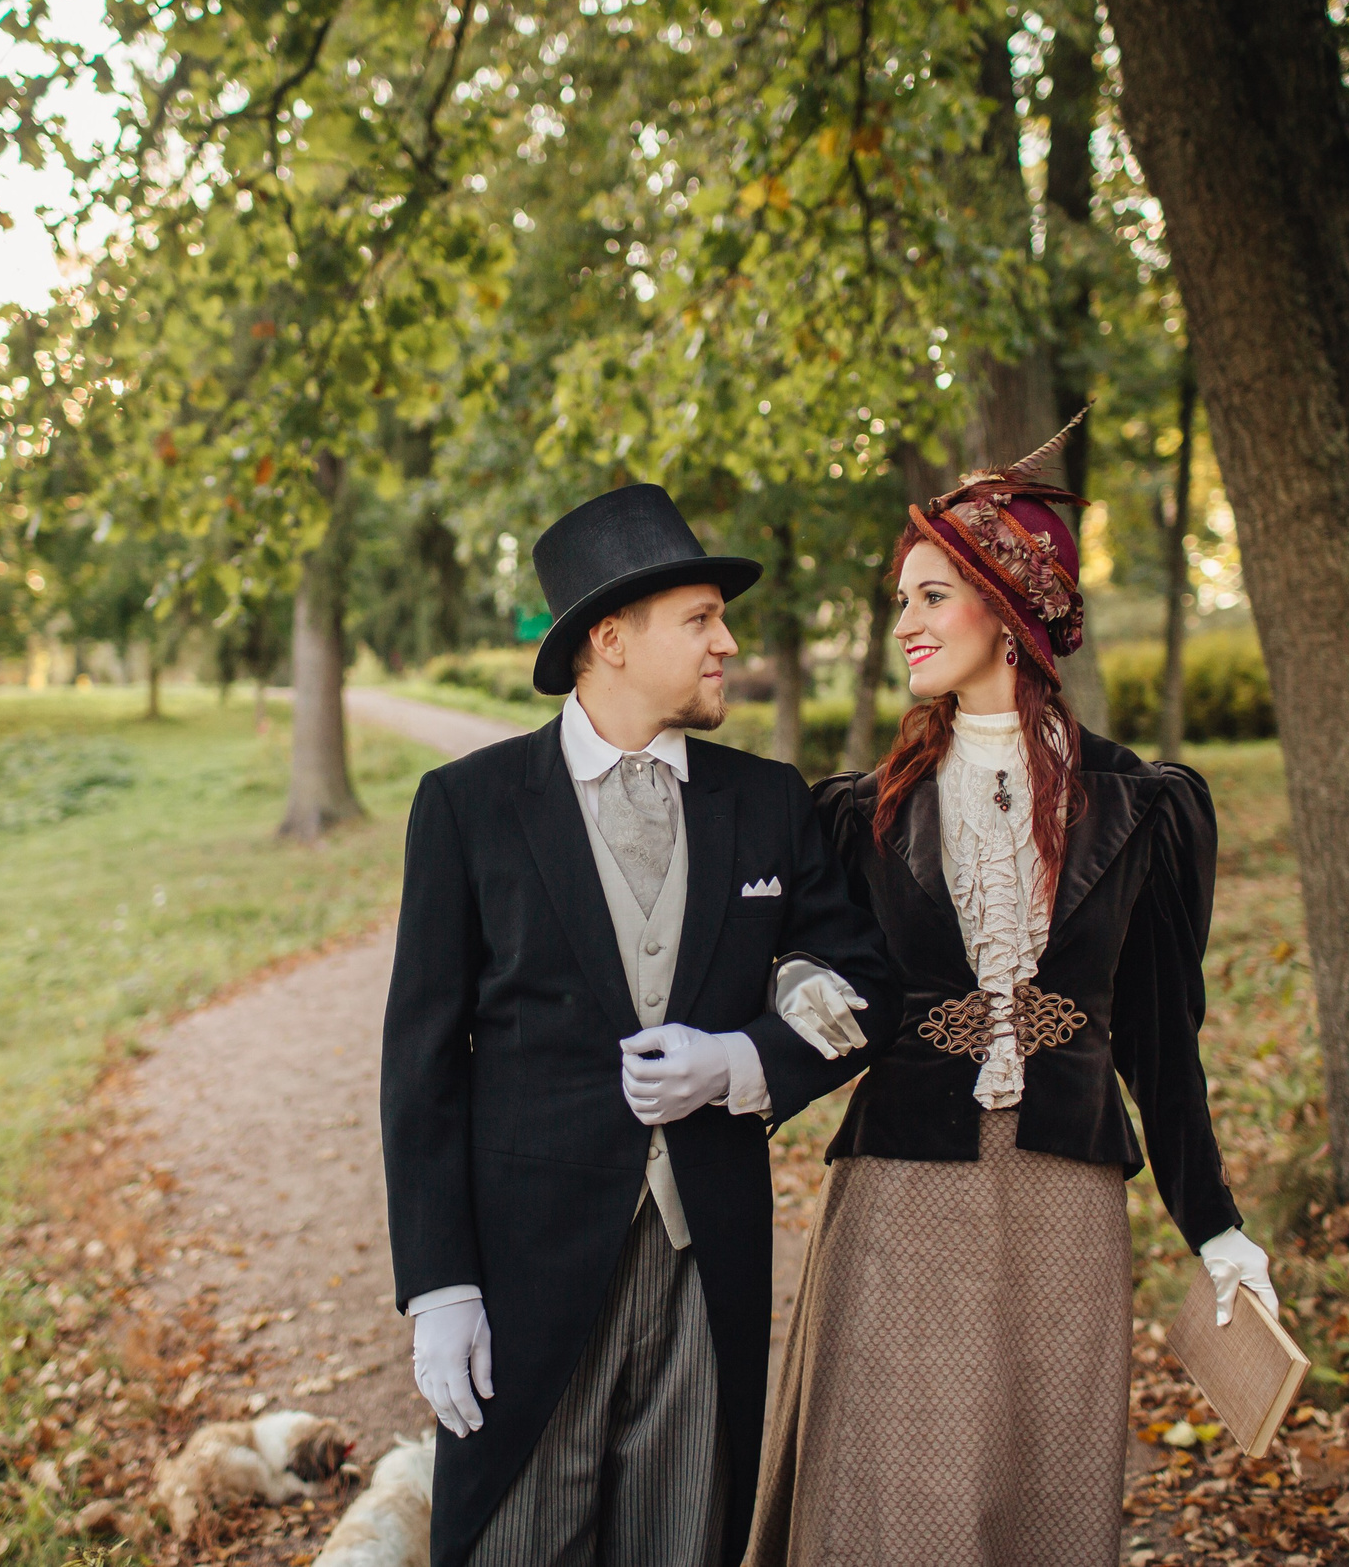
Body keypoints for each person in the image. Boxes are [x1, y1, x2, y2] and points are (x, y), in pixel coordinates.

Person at [745, 446, 1279, 1567]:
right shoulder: (858, 816)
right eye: (900, 601)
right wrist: (789, 979)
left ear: (1009, 609)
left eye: (930, 596)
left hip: (1063, 1193)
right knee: (891, 1490)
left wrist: (1217, 1226)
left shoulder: (1141, 809)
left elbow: (1161, 1044)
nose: (905, 624)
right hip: (901, 1184)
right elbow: (808, 966)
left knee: (1040, 1488)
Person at [380, 483, 901, 1567]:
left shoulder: (765, 800)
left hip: (704, 1258)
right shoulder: (467, 808)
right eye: (700, 620)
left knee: (681, 1545)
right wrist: (440, 1288)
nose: (728, 643)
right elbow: (421, 1067)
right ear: (610, 640)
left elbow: (865, 981)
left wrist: (740, 1061)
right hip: (527, 1269)